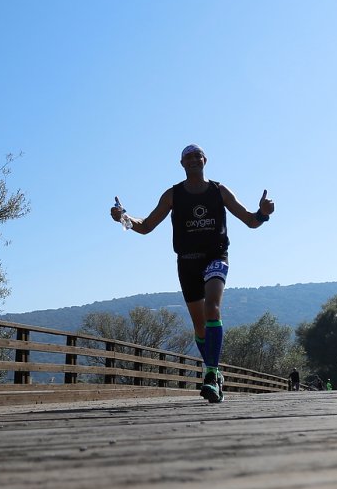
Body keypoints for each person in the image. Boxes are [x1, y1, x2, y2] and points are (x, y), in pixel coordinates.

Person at [111, 144, 274, 404]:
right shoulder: (172, 195)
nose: (193, 159)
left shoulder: (219, 191)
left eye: (197, 155)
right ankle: (215, 372)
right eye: (188, 157)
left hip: (215, 257)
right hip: (187, 262)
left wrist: (263, 214)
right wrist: (124, 217)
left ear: (205, 160)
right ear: (182, 164)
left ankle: (210, 375)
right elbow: (147, 226)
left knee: (212, 308)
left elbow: (250, 220)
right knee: (199, 326)